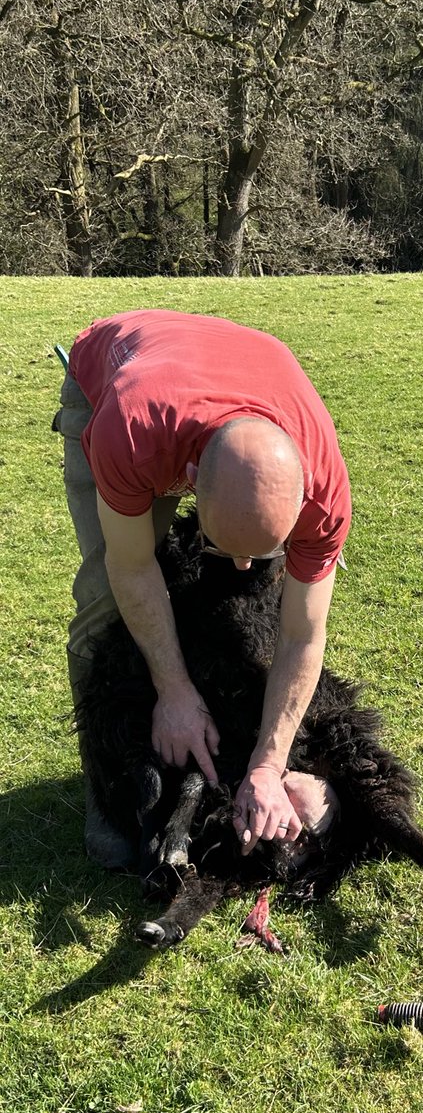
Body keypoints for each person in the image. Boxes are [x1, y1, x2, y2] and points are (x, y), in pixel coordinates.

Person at [54, 309, 351, 867]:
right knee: (103, 602)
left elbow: (303, 635)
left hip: (223, 374)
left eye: (262, 552)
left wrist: (269, 762)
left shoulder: (325, 494)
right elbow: (133, 565)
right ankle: (107, 785)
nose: (244, 566)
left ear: (303, 495)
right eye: (227, 545)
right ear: (189, 483)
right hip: (115, 378)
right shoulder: (130, 432)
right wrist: (173, 690)